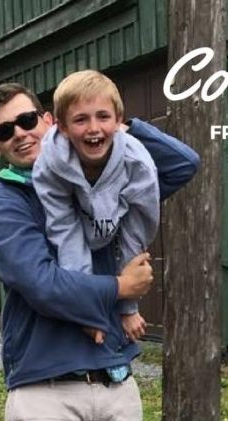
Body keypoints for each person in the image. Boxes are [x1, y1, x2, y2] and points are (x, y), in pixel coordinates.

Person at [0, 82, 198, 421]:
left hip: (116, 385)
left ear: (51, 121)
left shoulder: (103, 180)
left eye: (27, 119)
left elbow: (182, 164)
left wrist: (122, 128)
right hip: (46, 395)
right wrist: (120, 288)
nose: (19, 133)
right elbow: (40, 283)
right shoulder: (5, 202)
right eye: (4, 130)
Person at [33, 70, 159, 345]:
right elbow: (65, 232)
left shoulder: (138, 164)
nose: (93, 128)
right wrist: (86, 309)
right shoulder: (48, 166)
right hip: (76, 237)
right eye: (80, 119)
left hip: (116, 234)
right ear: (62, 128)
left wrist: (128, 306)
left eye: (103, 116)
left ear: (118, 122)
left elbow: (136, 232)